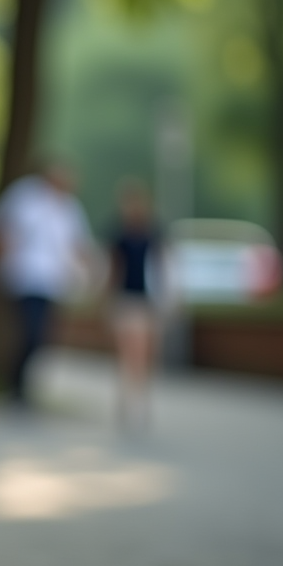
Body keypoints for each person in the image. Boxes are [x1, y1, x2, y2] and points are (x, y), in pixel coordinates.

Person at [0, 160, 93, 405]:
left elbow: (78, 243)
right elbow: (2, 232)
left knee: (41, 336)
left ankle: (22, 385)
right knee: (30, 332)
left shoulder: (69, 207)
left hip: (52, 282)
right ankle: (15, 385)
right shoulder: (24, 196)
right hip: (23, 278)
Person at [105, 178, 162, 429]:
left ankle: (139, 399)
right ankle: (129, 399)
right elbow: (113, 270)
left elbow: (162, 267)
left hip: (147, 301)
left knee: (145, 353)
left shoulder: (155, 232)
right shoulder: (119, 234)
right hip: (126, 300)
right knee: (129, 352)